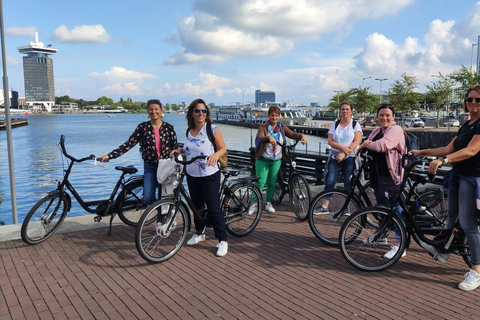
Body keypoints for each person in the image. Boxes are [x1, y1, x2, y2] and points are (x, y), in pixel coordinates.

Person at [411, 85, 480, 291]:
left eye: (478, 100)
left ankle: (476, 271)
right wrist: (421, 152)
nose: (473, 103)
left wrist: (444, 160)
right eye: (470, 99)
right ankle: (443, 250)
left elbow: (472, 150)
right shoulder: (466, 124)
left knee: (468, 224)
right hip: (458, 175)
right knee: (451, 217)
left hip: (472, 177)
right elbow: (448, 148)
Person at [170, 99, 229, 257]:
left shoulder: (212, 129)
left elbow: (223, 148)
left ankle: (222, 240)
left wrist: (216, 155)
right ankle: (200, 232)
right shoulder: (190, 130)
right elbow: (190, 147)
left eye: (204, 111)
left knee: (213, 206)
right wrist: (180, 150)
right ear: (192, 113)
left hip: (209, 173)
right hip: (192, 172)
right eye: (197, 111)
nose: (201, 114)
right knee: (196, 205)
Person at [98, 99, 178, 206]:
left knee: (165, 196)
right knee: (149, 197)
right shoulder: (142, 127)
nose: (153, 112)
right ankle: (159, 212)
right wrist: (110, 156)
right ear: (147, 111)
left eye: (156, 109)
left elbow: (175, 147)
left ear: (161, 110)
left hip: (166, 166)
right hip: (150, 166)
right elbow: (129, 144)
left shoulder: (169, 128)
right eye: (151, 109)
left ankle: (162, 221)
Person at [357, 103, 406, 259]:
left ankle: (400, 245)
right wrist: (364, 145)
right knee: (381, 209)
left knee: (396, 211)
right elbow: (367, 143)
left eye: (387, 115)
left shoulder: (395, 130)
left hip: (392, 177)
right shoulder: (378, 130)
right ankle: (381, 236)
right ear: (377, 117)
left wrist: (366, 144)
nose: (384, 118)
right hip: (378, 176)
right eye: (381, 115)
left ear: (393, 117)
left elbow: (383, 145)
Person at [250, 105, 307, 213]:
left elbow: (292, 134)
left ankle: (268, 203)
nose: (274, 118)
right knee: (260, 182)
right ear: (268, 116)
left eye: (276, 116)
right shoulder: (263, 127)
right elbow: (260, 138)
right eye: (272, 115)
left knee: (271, 182)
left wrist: (301, 136)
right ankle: (254, 204)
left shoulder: (281, 127)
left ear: (279, 116)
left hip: (276, 159)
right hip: (263, 159)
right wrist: (269, 137)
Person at [314, 102, 362, 217]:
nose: (345, 111)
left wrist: (345, 152)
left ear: (351, 111)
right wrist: (341, 149)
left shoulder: (355, 124)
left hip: (350, 157)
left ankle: (346, 207)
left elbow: (357, 141)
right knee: (330, 180)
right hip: (335, 156)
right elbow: (330, 141)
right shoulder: (335, 124)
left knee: (347, 182)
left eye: (347, 109)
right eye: (343, 109)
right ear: (340, 111)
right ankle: (324, 206)